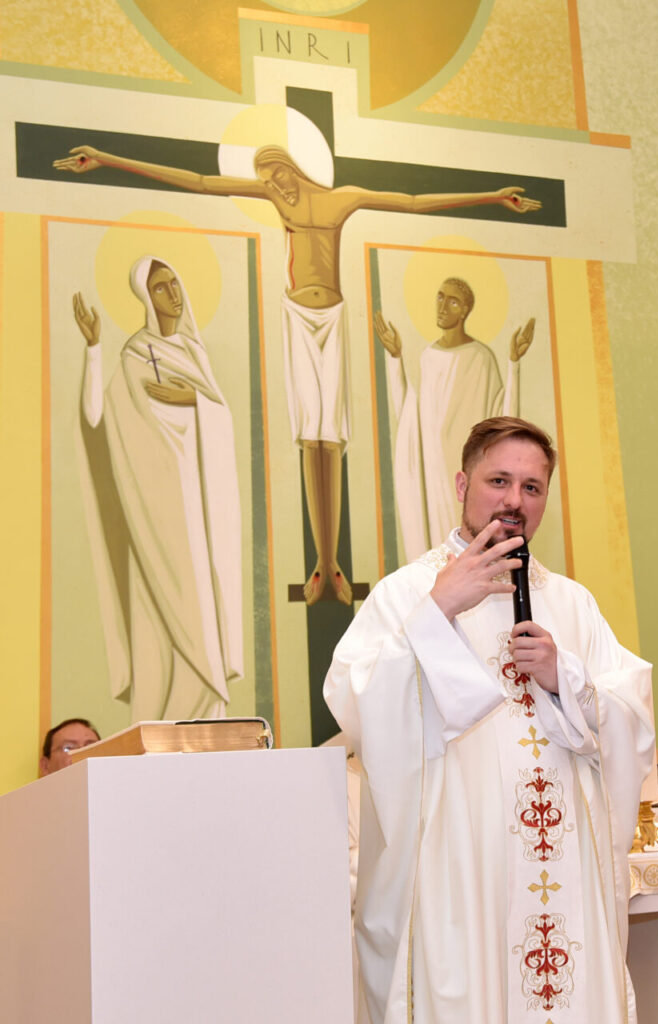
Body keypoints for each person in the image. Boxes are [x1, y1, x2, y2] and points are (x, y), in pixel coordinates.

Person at [54, 143, 541, 605]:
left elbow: (410, 203)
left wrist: (492, 197)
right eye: (267, 179)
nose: (275, 186)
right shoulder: (272, 196)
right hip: (296, 318)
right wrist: (108, 161)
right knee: (310, 437)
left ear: (294, 169)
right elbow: (201, 183)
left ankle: (336, 568)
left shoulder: (340, 200)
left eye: (278, 174)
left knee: (334, 439)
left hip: (331, 318)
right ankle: (322, 564)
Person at [324, 416, 654, 1023]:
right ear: (461, 484)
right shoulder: (406, 594)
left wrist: (566, 680)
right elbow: (355, 700)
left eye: (532, 487)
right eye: (498, 480)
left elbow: (631, 709)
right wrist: (438, 610)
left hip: (561, 868)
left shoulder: (571, 602)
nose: (513, 500)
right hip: (459, 868)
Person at [76, 256, 243, 722]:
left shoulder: (194, 352)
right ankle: (163, 716)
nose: (171, 294)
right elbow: (98, 421)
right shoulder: (133, 354)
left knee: (201, 606)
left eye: (173, 284)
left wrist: (194, 400)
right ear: (145, 299)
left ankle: (205, 714)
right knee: (160, 612)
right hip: (154, 511)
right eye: (160, 288)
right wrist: (93, 350)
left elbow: (220, 420)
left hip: (200, 508)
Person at [374, 278, 534, 558]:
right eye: (440, 297)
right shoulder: (427, 356)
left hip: (465, 468)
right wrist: (395, 358)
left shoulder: (481, 358)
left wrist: (513, 363)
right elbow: (410, 412)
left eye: (453, 301)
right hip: (432, 468)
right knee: (437, 546)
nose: (443, 306)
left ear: (465, 312)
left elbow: (501, 417)